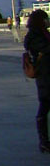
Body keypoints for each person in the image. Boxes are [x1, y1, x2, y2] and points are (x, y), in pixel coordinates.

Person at [24, 9, 50, 154]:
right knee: (45, 105)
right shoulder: (34, 35)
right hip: (45, 75)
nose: (47, 21)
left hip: (47, 73)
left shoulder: (43, 33)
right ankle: (44, 140)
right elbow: (45, 49)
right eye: (45, 19)